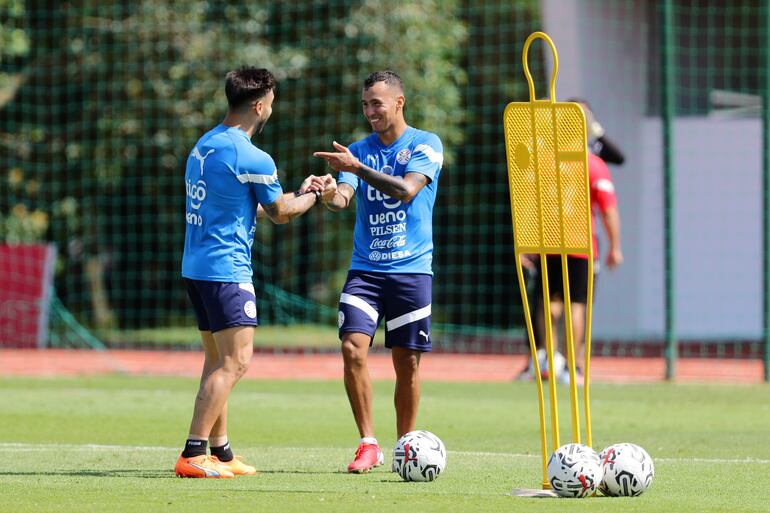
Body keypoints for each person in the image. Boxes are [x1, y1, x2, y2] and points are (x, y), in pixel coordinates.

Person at [176, 66, 336, 478]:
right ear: (260, 106)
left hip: (197, 267)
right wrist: (314, 195)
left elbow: (250, 207)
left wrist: (299, 192)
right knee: (236, 363)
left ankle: (221, 452)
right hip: (226, 270)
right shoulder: (252, 155)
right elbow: (280, 213)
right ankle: (193, 454)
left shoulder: (205, 145)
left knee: (217, 363)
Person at [313, 70, 444, 473]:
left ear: (399, 102)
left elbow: (406, 190)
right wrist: (329, 190)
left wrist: (357, 167)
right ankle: (368, 443)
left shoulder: (426, 144)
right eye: (365, 104)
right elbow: (343, 200)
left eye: (377, 103)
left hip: (411, 272)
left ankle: (406, 445)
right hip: (365, 271)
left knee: (407, 364)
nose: (370, 111)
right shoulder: (357, 150)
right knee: (353, 348)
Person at [517, 100, 623, 384]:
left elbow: (531, 203)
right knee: (576, 306)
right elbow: (608, 210)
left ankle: (547, 358)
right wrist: (615, 247)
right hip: (581, 246)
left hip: (548, 242)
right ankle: (572, 368)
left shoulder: (546, 162)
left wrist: (527, 241)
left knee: (547, 304)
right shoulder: (593, 164)